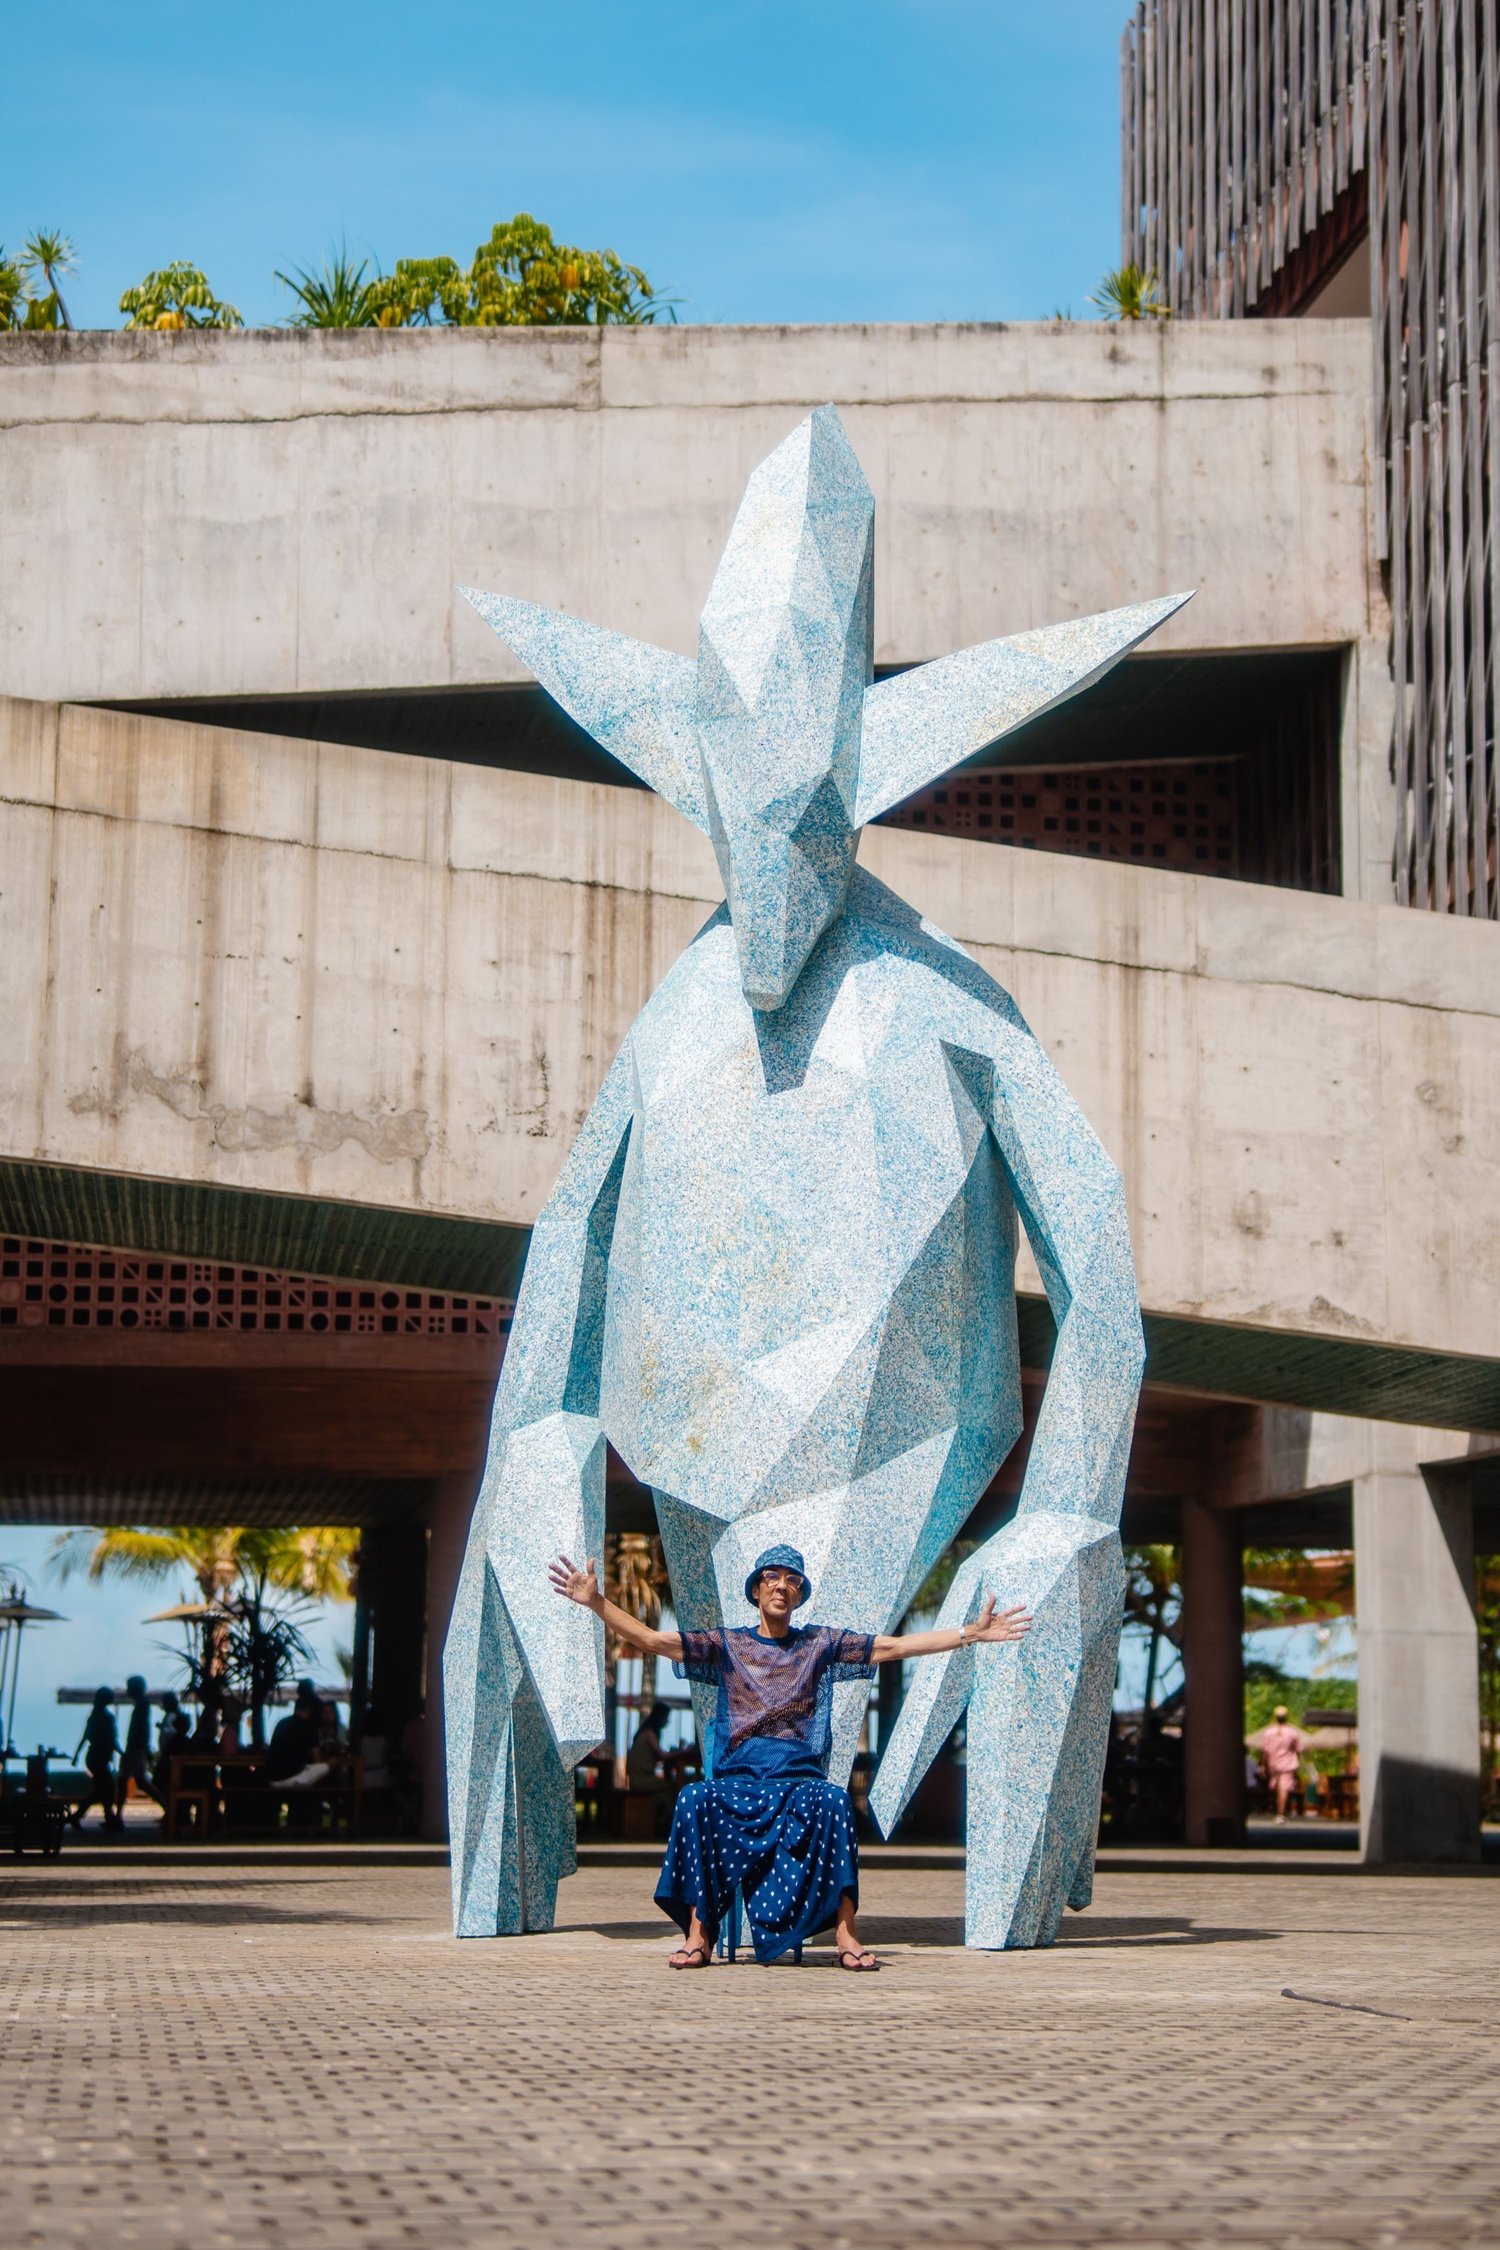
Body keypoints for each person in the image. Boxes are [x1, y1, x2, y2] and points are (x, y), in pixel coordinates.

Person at [548, 1542, 1032, 1972]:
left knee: (836, 1802)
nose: (781, 1585)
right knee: (695, 1798)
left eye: (792, 1580)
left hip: (798, 1779)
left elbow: (894, 1646)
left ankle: (845, 1933)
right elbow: (655, 1641)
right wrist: (596, 1603)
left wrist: (972, 1632)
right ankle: (699, 1933)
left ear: (798, 1595)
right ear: (756, 1592)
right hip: (739, 1778)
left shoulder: (819, 1644)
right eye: (771, 1577)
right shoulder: (727, 1645)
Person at [71, 1688, 121, 1831]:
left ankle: (107, 1817)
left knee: (101, 1789)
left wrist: (77, 1755)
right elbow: (112, 1739)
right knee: (106, 1789)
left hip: (93, 1756)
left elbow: (85, 1736)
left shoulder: (94, 1716)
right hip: (101, 1757)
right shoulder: (107, 1717)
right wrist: (122, 1753)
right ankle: (106, 1818)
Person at [116, 1675, 161, 1815]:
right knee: (141, 1782)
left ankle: (118, 1815)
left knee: (122, 1780)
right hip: (138, 1747)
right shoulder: (143, 1704)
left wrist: (134, 1748)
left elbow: (140, 1729)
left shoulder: (142, 1705)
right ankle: (167, 1806)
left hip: (135, 1748)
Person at [1260, 1704, 1308, 1822]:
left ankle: (1278, 1810)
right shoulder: (1292, 1733)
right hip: (1288, 1764)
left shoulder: (1268, 1732)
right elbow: (1298, 1750)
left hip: (1273, 1764)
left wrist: (1262, 1765)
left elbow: (1265, 1751)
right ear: (1286, 1717)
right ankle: (1280, 1813)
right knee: (1283, 1788)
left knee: (1277, 1787)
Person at [626, 1701, 674, 1799]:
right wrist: (685, 1752)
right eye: (666, 1717)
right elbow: (663, 1755)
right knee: (673, 1787)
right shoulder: (649, 1733)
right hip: (641, 1780)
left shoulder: (646, 1731)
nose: (667, 1721)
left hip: (639, 1778)